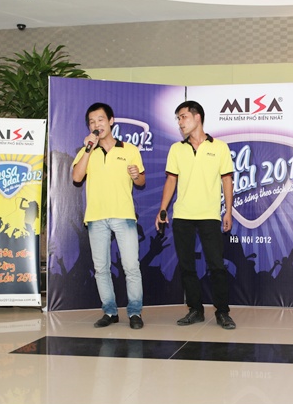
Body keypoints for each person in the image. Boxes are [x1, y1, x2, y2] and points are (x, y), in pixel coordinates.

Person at [156, 100, 236, 330]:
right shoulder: (176, 149)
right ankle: (195, 310)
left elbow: (227, 180)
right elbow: (171, 180)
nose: (180, 123)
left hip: (210, 215)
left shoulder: (219, 147)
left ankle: (222, 312)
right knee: (187, 266)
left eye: (183, 117)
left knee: (216, 265)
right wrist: (163, 209)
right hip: (182, 215)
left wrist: (228, 211)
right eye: (178, 119)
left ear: (197, 117)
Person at [72, 102, 145, 330]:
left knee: (131, 266)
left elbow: (141, 181)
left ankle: (135, 312)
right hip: (96, 217)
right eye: (92, 122)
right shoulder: (86, 151)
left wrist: (136, 175)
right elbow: (76, 177)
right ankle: (110, 311)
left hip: (123, 215)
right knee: (101, 268)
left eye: (100, 120)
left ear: (111, 121)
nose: (96, 125)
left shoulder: (129, 150)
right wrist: (88, 149)